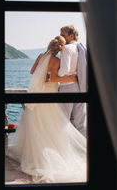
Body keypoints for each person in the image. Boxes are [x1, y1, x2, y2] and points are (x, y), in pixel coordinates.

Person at [7, 36, 87, 183]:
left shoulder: (40, 56)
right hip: (49, 93)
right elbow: (52, 79)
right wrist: (71, 78)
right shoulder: (56, 60)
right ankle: (47, 157)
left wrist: (44, 73)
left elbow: (32, 72)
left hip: (37, 94)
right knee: (51, 126)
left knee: (37, 125)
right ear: (60, 48)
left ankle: (33, 156)